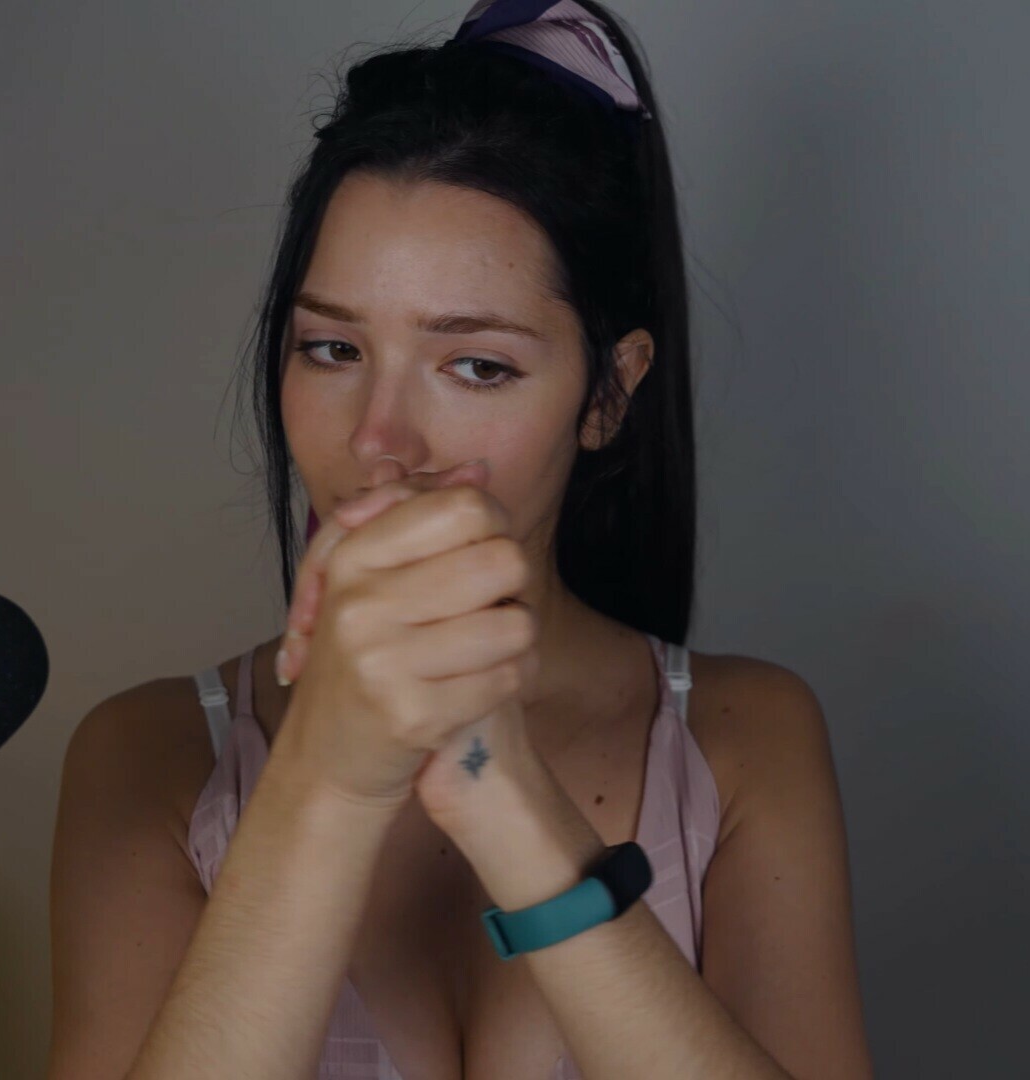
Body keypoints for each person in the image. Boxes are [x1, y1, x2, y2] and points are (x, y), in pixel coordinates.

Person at [47, 2, 874, 1078]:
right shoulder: (146, 757)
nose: (379, 440)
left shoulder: (745, 738)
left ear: (607, 395)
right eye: (333, 349)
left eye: (476, 365)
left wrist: (501, 793)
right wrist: (325, 783)